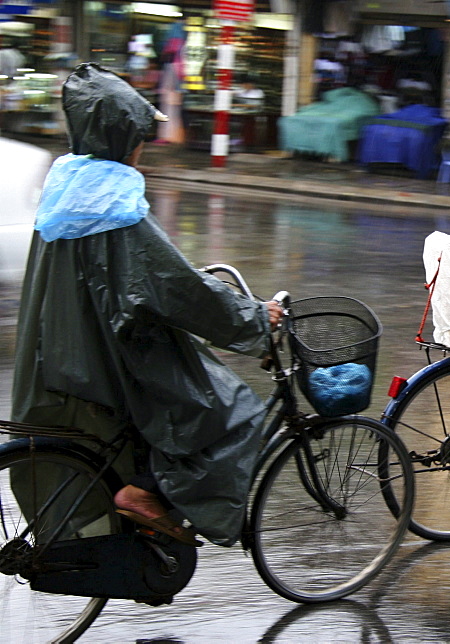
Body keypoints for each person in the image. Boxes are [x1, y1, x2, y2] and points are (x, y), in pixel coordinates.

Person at [11, 63, 282, 547]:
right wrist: (255, 318)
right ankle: (146, 493)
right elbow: (174, 286)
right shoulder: (113, 200)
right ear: (122, 135)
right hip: (114, 360)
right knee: (229, 409)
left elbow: (140, 272)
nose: (143, 147)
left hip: (63, 355)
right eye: (139, 135)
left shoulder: (67, 183)